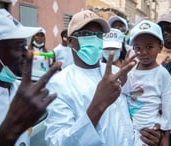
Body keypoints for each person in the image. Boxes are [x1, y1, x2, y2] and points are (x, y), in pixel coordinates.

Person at [44, 9, 138, 146]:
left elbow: (129, 116)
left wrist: (144, 133)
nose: (95, 39)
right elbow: (57, 142)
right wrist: (98, 105)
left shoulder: (116, 72)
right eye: (86, 34)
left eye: (99, 35)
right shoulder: (59, 83)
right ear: (70, 41)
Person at [0, 9, 61, 146]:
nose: (26, 53)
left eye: (24, 45)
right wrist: (12, 127)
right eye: (17, 47)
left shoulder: (22, 90)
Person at [123, 20, 171, 146]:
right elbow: (126, 96)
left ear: (160, 47)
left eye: (149, 47)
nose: (143, 52)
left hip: (152, 130)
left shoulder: (162, 74)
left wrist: (165, 138)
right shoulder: (130, 72)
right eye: (138, 48)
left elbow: (170, 104)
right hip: (130, 128)